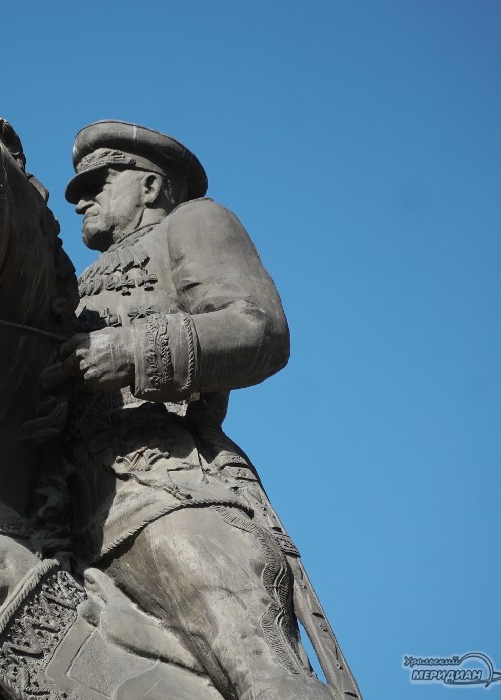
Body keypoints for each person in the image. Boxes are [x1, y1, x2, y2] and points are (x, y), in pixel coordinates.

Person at [59, 120, 332, 700]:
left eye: (99, 181)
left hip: (160, 480)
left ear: (151, 185)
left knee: (262, 675)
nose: (81, 197)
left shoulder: (194, 222)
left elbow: (258, 329)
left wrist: (133, 351)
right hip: (56, 503)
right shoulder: (72, 283)